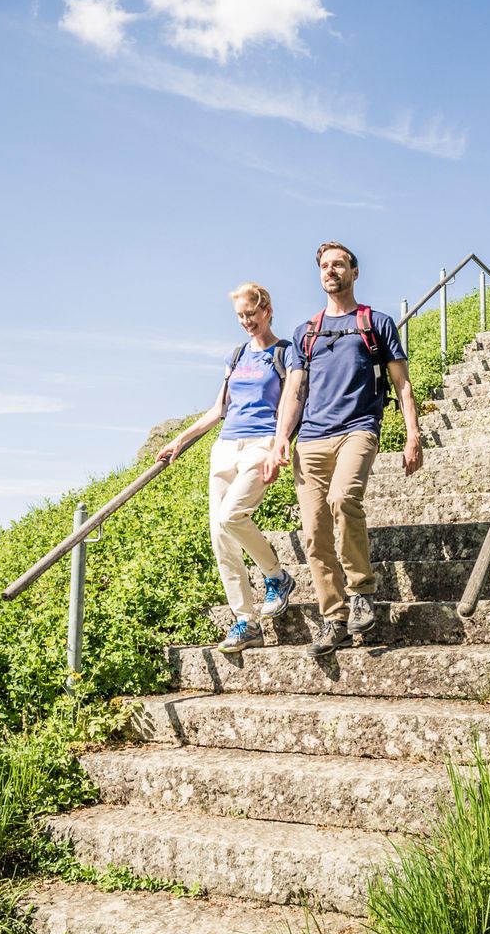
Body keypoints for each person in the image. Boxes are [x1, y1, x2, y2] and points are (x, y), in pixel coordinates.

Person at [261, 241, 423, 657]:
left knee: (343, 498)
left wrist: (412, 434)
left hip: (358, 428)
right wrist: (281, 437)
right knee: (314, 533)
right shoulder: (305, 332)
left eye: (339, 265)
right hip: (311, 439)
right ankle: (333, 618)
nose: (331, 271)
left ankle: (361, 592)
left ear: (354, 272)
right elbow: (295, 390)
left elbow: (401, 383)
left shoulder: (377, 323)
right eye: (325, 266)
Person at [157, 282, 300, 653]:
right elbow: (218, 409)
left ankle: (276, 576)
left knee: (231, 517)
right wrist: (180, 439)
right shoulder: (235, 356)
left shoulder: (285, 353)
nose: (246, 321)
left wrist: (281, 444)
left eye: (251, 313)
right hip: (225, 446)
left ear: (266, 309)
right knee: (220, 539)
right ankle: (246, 622)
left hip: (261, 443)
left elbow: (292, 403)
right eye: (239, 316)